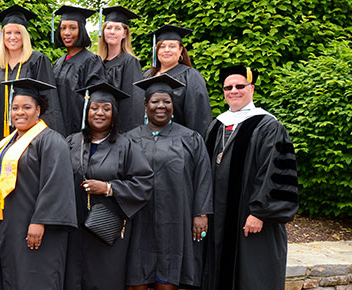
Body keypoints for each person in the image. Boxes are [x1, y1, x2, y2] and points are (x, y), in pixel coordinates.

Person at [203, 65, 299, 290]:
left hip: (251, 218)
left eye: (239, 86)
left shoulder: (268, 126)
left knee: (253, 276)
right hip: (219, 218)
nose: (233, 91)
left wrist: (259, 212)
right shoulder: (216, 126)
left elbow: (273, 173)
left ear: (252, 89)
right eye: (228, 87)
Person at [124, 74, 213, 290]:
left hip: (176, 218)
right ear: (145, 105)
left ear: (173, 105)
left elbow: (203, 176)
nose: (161, 106)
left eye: (167, 101)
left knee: (169, 275)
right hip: (138, 219)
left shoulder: (190, 138)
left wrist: (201, 213)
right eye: (155, 101)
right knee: (136, 275)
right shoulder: (129, 138)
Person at [64, 82, 153, 290]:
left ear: (114, 114)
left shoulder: (127, 145)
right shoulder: (72, 142)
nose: (99, 113)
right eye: (94, 107)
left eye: (106, 108)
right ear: (87, 111)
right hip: (74, 227)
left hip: (106, 228)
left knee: (104, 280)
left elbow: (144, 182)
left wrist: (108, 188)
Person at [0, 78, 76, 290]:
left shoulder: (52, 141)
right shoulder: (8, 142)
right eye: (15, 107)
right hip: (11, 227)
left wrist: (40, 221)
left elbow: (56, 184)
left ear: (38, 110)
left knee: (37, 279)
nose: (20, 112)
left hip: (37, 229)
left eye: (27, 107)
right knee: (14, 278)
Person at [0, 4, 65, 143]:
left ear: (25, 35)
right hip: (2, 134)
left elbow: (49, 101)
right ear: (3, 36)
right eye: (8, 33)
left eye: (18, 32)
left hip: (31, 134)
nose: (13, 37)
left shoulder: (37, 60)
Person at [145, 24, 211, 134]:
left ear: (180, 50)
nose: (166, 50)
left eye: (172, 46)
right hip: (144, 142)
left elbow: (198, 118)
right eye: (162, 46)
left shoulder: (190, 76)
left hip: (177, 144)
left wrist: (193, 144)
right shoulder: (146, 76)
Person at [52, 5, 106, 136]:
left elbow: (96, 99)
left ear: (81, 30)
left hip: (79, 131)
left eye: (72, 28)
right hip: (56, 128)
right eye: (63, 28)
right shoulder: (58, 62)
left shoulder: (92, 61)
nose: (66, 33)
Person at [97, 6, 144, 133]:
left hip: (119, 131)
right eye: (109, 27)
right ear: (103, 31)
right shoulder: (96, 62)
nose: (112, 32)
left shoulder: (129, 62)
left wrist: (125, 134)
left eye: (118, 28)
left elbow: (133, 102)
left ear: (124, 34)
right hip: (97, 129)